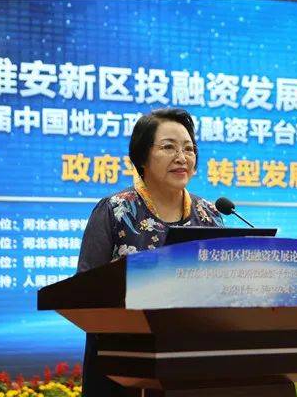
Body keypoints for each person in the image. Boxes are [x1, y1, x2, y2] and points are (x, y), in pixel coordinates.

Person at [76, 108, 224, 396]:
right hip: (121, 366)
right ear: (142, 157)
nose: (182, 157)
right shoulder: (115, 211)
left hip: (193, 363)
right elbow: (85, 293)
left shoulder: (209, 215)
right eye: (168, 147)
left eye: (189, 148)